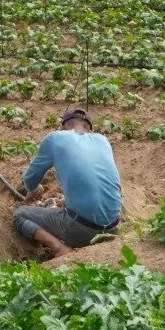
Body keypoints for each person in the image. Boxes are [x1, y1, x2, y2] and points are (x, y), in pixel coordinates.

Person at [12, 106, 122, 258]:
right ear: (89, 129)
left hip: (84, 231)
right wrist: (66, 201)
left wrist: (35, 190)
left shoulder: (56, 138)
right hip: (113, 229)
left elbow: (30, 179)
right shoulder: (103, 141)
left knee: (20, 215)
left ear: (64, 126)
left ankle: (59, 249)